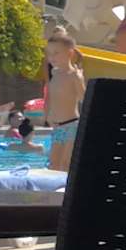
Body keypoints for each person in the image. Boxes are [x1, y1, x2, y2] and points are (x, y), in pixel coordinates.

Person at [42, 24, 86, 172]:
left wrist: (79, 80)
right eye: (49, 53)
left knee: (66, 165)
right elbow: (51, 96)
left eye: (56, 53)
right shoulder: (54, 73)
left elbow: (84, 99)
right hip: (57, 126)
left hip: (71, 125)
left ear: (69, 53)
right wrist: (47, 115)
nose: (51, 57)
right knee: (53, 165)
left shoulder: (73, 75)